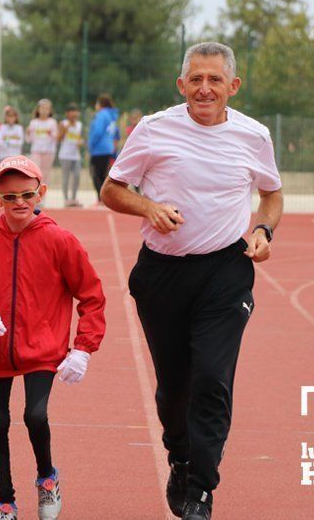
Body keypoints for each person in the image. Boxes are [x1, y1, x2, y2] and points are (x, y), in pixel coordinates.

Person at [100, 42, 283, 520]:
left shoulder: (254, 135)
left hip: (226, 271)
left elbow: (271, 195)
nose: (205, 89)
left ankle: (201, 490)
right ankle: (180, 457)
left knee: (211, 379)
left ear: (232, 87)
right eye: (196, 79)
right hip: (162, 273)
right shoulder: (154, 129)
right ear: (181, 85)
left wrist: (263, 229)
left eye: (215, 80)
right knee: (173, 387)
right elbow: (112, 190)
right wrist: (149, 207)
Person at [0, 155, 106, 520]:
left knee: (35, 415)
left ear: (41, 194)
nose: (19, 203)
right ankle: (6, 501)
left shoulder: (60, 240)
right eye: (9, 197)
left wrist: (82, 348)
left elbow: (92, 296)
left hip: (43, 349)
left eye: (26, 194)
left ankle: (47, 478)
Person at [87, 94, 119, 207]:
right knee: (103, 175)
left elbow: (97, 131)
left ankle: (101, 199)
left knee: (96, 174)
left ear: (100, 104)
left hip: (99, 149)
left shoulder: (101, 115)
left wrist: (90, 145)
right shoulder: (112, 116)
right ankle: (103, 199)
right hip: (108, 148)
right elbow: (115, 133)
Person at [25, 99, 58, 182]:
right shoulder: (33, 122)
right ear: (38, 109)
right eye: (42, 108)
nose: (44, 111)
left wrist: (51, 134)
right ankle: (36, 191)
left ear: (50, 111)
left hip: (49, 151)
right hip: (36, 150)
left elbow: (56, 138)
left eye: (47, 109)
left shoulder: (52, 122)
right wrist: (28, 133)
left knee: (46, 172)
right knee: (35, 171)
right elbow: (29, 140)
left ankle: (43, 193)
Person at [57, 104, 83, 208]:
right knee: (66, 177)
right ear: (67, 114)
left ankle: (74, 198)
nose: (74, 114)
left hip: (75, 155)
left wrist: (81, 142)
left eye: (75, 111)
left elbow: (79, 138)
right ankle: (66, 199)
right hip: (65, 154)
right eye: (71, 111)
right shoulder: (63, 123)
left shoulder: (79, 125)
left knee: (77, 176)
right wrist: (65, 129)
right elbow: (59, 138)